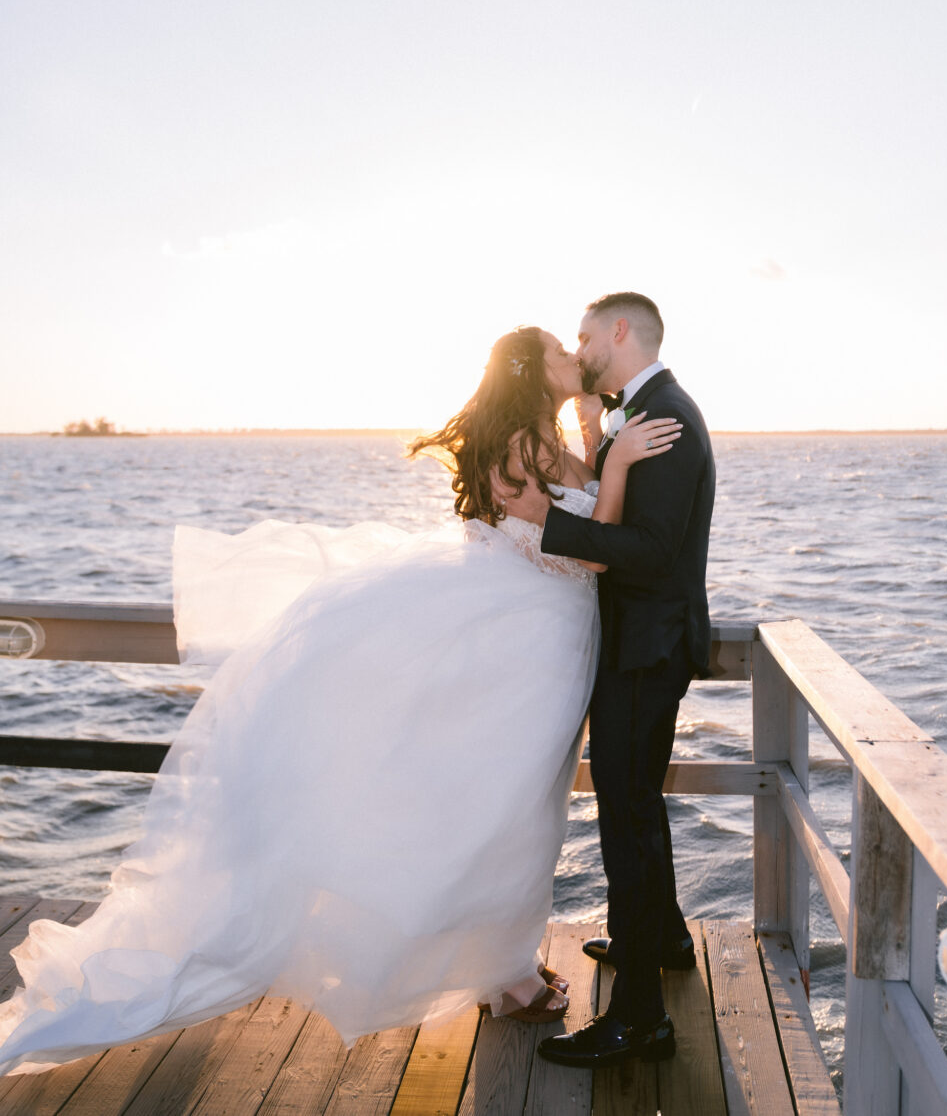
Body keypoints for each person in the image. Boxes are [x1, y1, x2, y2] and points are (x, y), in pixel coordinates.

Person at [0, 324, 682, 1078]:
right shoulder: (523, 444)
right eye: (561, 348)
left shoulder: (537, 434)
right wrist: (615, 460)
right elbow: (586, 547)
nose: (573, 356)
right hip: (524, 646)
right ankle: (506, 975)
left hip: (546, 637)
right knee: (507, 807)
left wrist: (594, 428)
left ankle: (505, 968)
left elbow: (575, 512)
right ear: (530, 367)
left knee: (512, 804)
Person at [502, 293, 716, 1070]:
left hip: (643, 650)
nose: (582, 347)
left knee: (625, 821)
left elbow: (652, 550)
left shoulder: (668, 419)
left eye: (587, 334)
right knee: (636, 806)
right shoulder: (646, 408)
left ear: (619, 332)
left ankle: (639, 1021)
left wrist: (537, 524)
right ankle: (660, 941)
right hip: (637, 644)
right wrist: (603, 442)